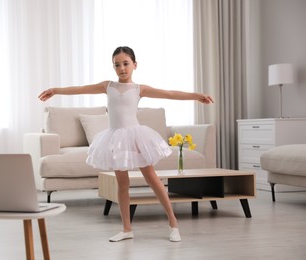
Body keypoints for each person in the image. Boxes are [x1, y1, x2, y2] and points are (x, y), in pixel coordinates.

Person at [38, 46, 214, 242]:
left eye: (125, 63)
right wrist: (55, 90)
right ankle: (126, 229)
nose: (122, 68)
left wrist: (197, 96)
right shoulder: (108, 86)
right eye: (117, 65)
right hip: (115, 139)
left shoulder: (140, 89)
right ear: (113, 67)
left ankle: (173, 224)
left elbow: (170, 94)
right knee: (122, 184)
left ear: (134, 65)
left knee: (153, 179)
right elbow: (80, 88)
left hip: (136, 136)